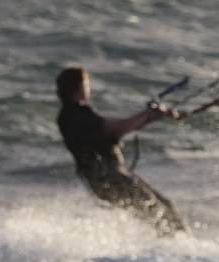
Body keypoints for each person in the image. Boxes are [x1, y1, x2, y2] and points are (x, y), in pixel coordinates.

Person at [55, 65, 187, 236]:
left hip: (106, 179)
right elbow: (115, 129)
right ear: (79, 87)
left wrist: (150, 116)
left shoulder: (72, 115)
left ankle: (178, 251)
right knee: (159, 215)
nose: (88, 88)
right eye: (86, 84)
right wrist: (147, 115)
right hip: (111, 179)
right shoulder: (75, 116)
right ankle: (181, 252)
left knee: (164, 208)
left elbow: (114, 130)